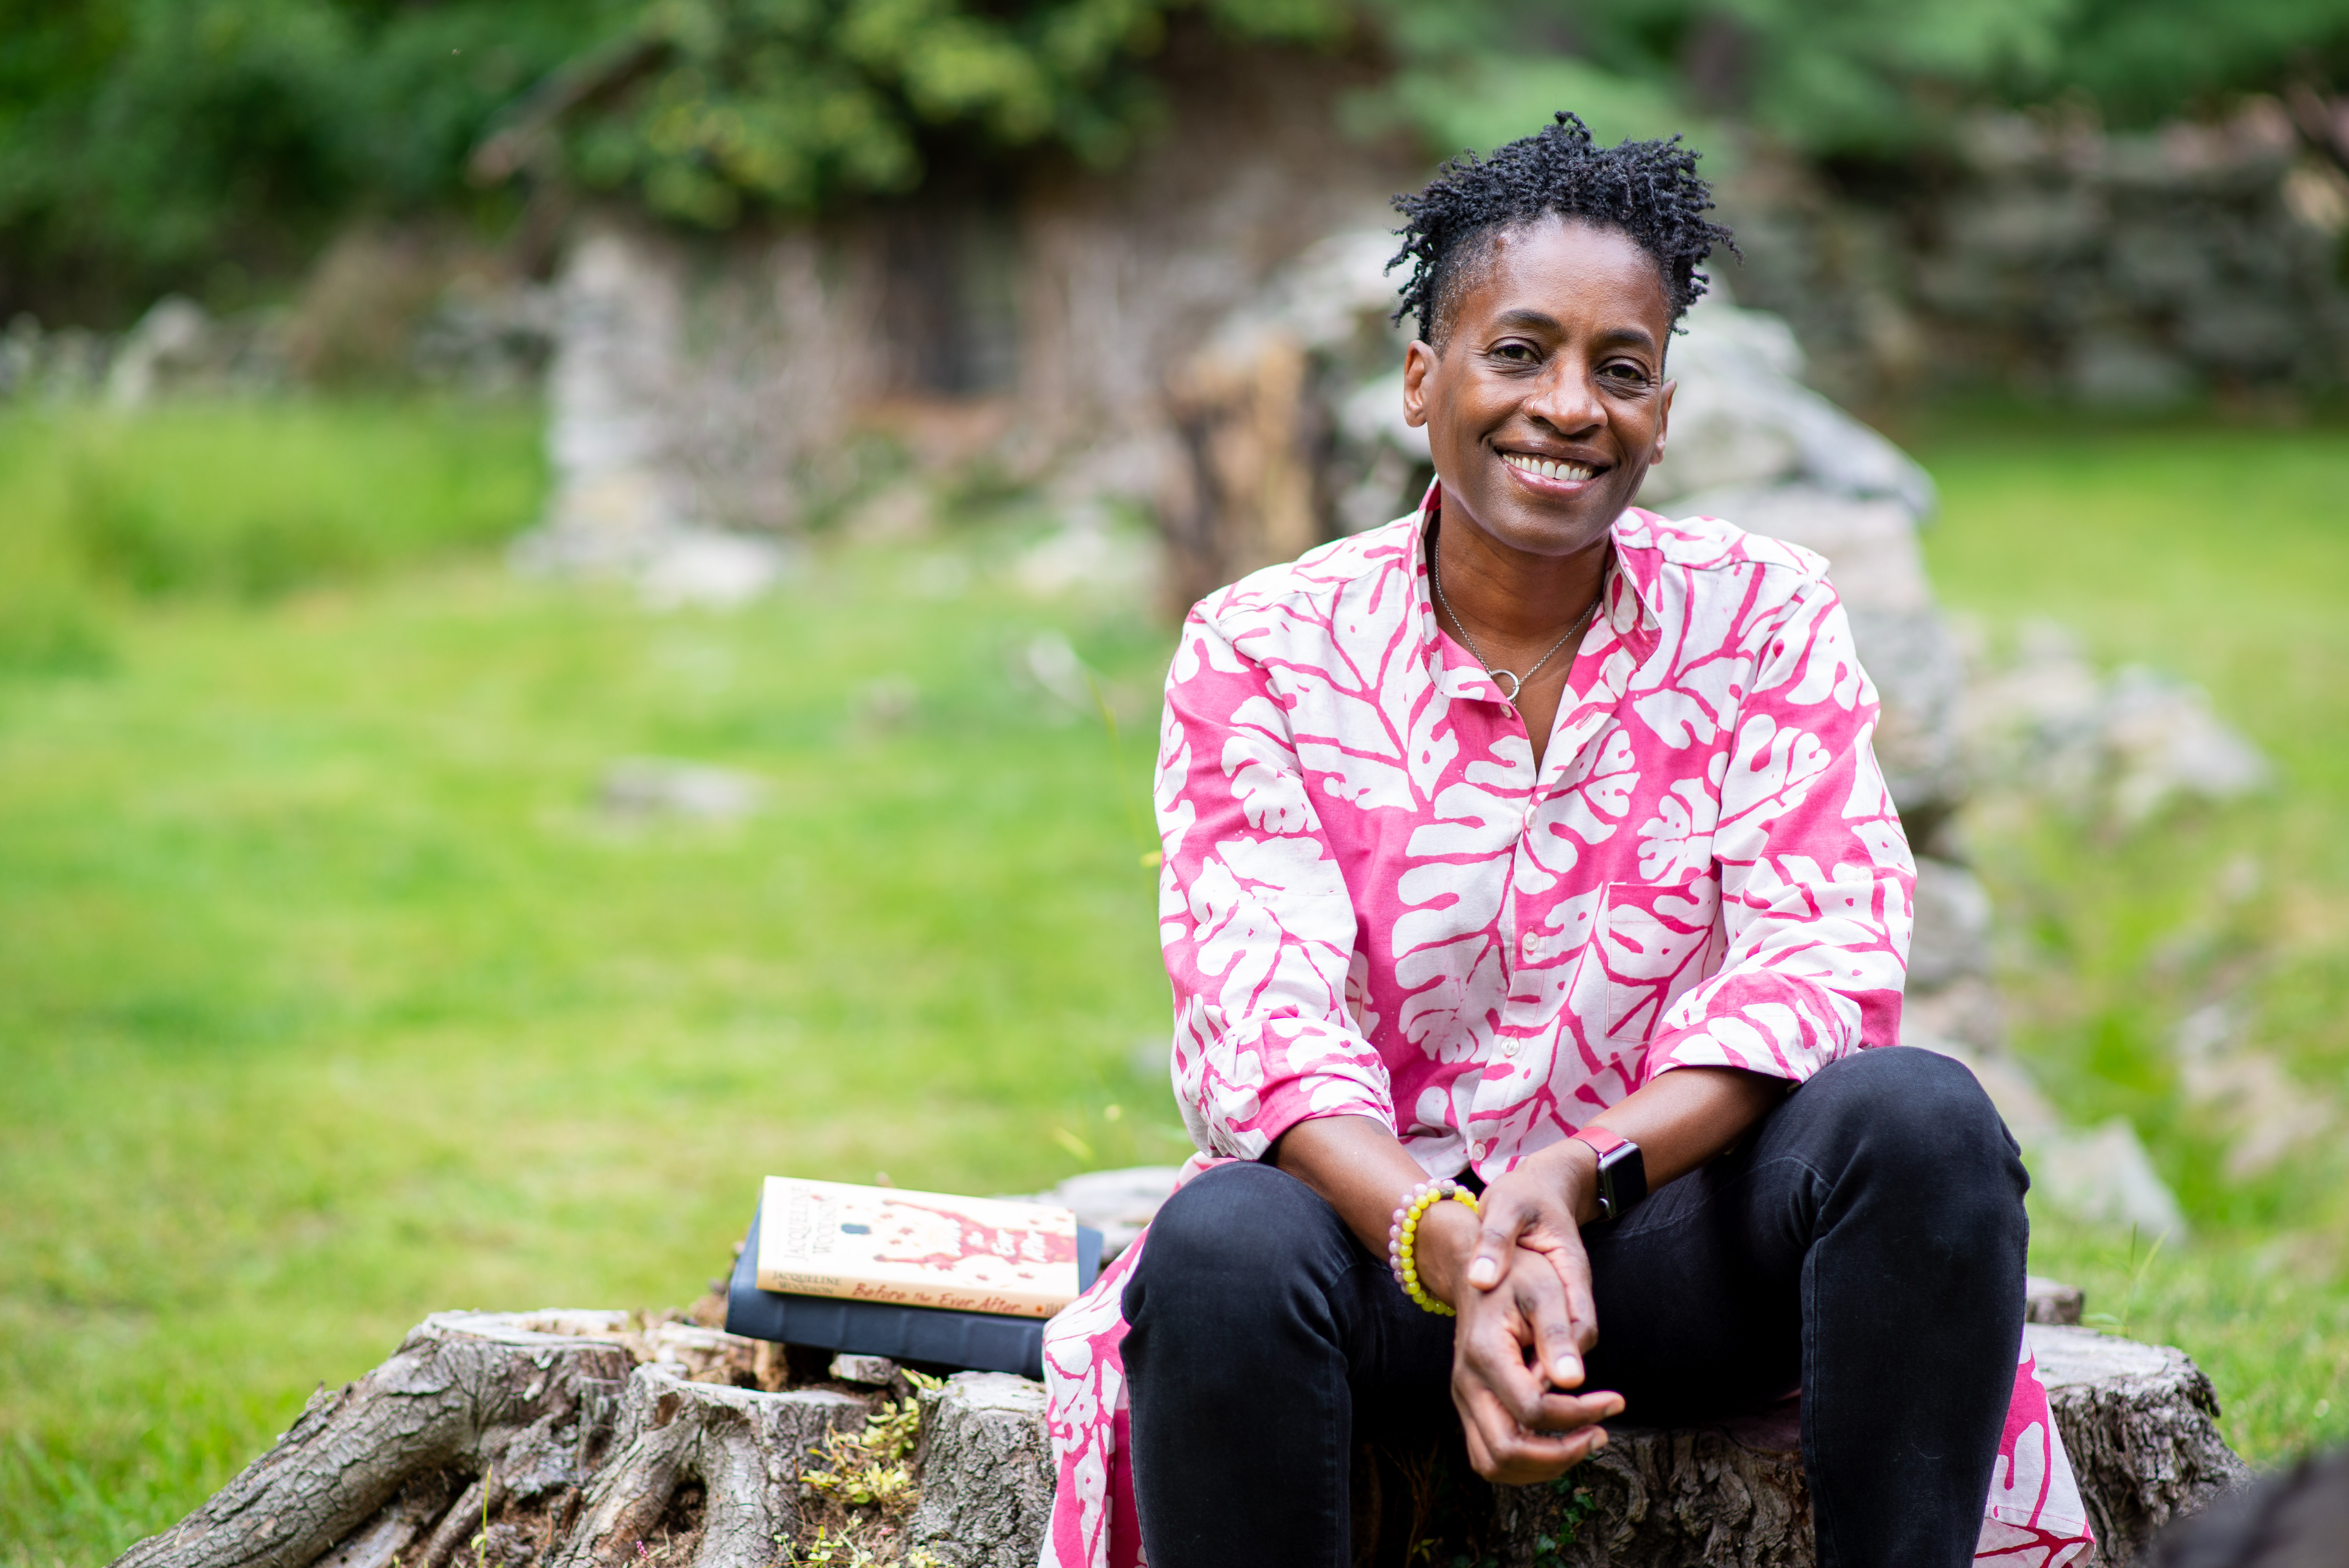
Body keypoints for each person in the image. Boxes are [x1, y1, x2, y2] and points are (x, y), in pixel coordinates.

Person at [1037, 114, 2093, 1568]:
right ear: (1424, 380)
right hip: (1383, 1271)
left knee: (1920, 1119)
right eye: (1518, 352)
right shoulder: (1266, 649)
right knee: (1220, 1246)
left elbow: (1819, 965)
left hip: (1675, 1249)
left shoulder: (1763, 618)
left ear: (1665, 407)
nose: (1570, 406)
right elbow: (1264, 1031)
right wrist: (1453, 1240)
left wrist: (1574, 1180)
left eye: (1621, 368)